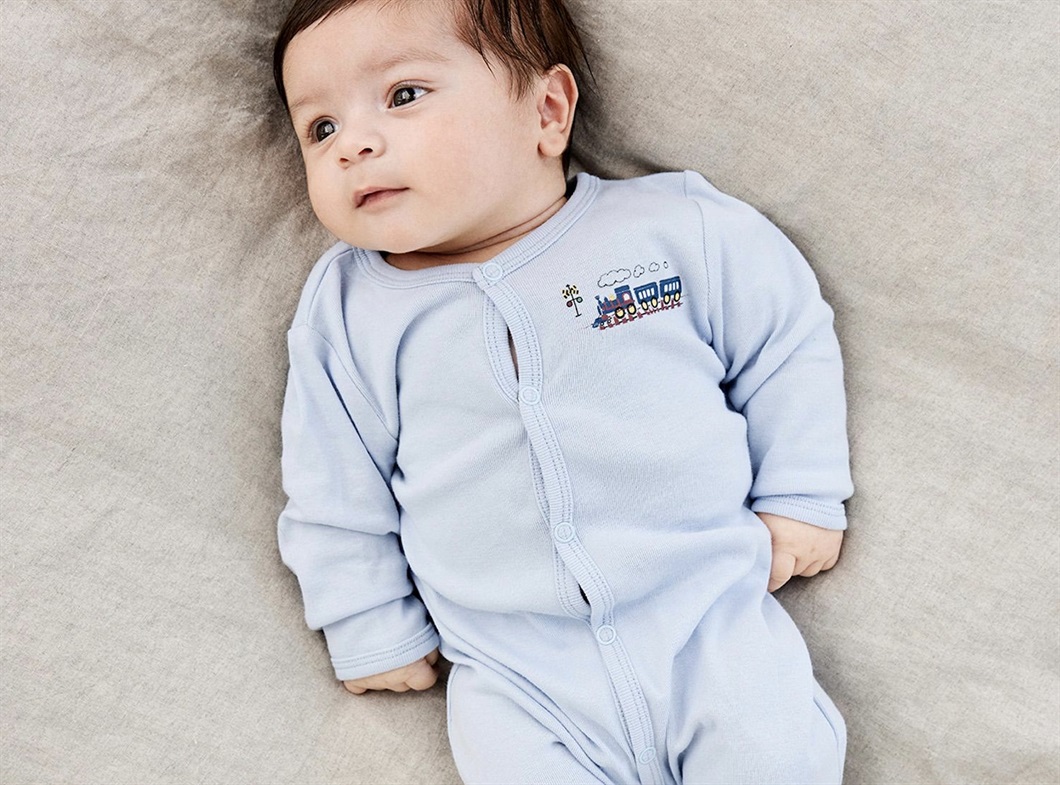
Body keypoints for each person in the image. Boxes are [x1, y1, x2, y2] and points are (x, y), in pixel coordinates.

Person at [273, 0, 853, 782]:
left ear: (546, 112)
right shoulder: (350, 311)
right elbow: (331, 482)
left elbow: (785, 341)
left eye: (403, 95)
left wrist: (803, 489)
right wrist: (367, 619)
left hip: (702, 619)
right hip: (516, 674)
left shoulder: (671, 230)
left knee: (772, 751)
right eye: (320, 128)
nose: (354, 144)